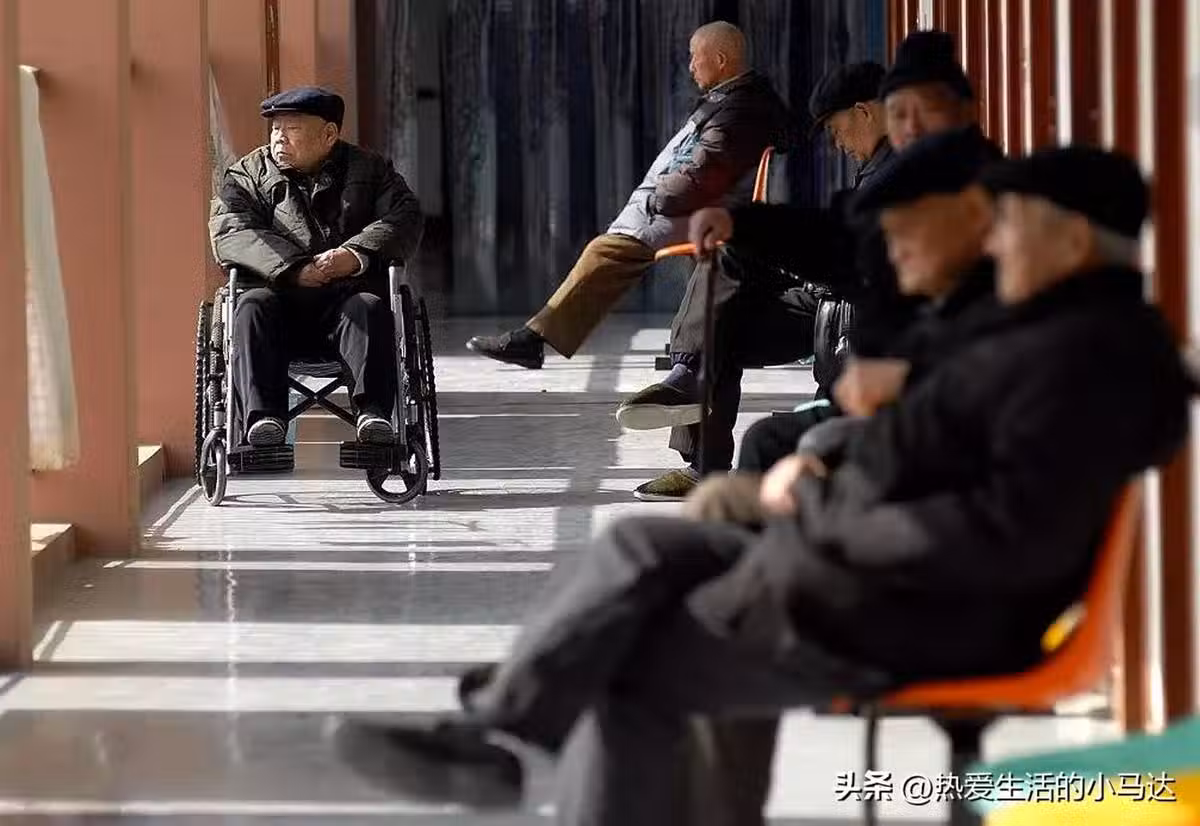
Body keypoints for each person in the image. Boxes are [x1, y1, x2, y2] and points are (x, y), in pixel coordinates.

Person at [333, 144, 1192, 826]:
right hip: (865, 573)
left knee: (626, 668)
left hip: (895, 610)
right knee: (639, 544)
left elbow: (1000, 537)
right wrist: (830, 470)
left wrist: (816, 502)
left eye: (1013, 225)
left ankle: (513, 720)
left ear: (1072, 241)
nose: (995, 242)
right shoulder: (1058, 334)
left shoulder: (1080, 362)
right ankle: (504, 723)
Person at [703, 28, 991, 484]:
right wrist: (740, 223)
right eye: (901, 114)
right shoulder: (905, 177)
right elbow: (838, 235)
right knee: (763, 434)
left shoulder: (978, 191)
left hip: (927, 401)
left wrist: (900, 377)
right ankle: (689, 382)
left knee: (776, 450)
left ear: (964, 111)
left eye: (927, 111)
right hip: (880, 379)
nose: (912, 127)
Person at [613, 61, 893, 504]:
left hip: (847, 305)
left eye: (837, 130)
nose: (838, 144)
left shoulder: (900, 169)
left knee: (728, 275)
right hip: (826, 298)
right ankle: (701, 447)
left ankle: (688, 377)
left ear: (863, 112)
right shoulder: (877, 163)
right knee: (723, 313)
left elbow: (849, 251)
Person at [465, 21, 789, 370]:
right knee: (612, 244)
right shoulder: (736, 99)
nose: (691, 66)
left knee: (607, 251)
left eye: (695, 57)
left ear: (721, 60)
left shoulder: (741, 109)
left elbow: (701, 179)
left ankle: (533, 340)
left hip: (708, 213)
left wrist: (654, 199)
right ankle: (693, 337)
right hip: (700, 207)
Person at [210, 87, 424, 447]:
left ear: (329, 134)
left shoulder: (370, 170)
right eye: (275, 129)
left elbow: (405, 216)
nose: (279, 138)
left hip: (346, 300)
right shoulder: (247, 175)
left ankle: (372, 414)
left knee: (371, 307)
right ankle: (264, 421)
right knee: (251, 307)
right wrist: (295, 268)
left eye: (291, 129)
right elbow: (231, 229)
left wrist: (354, 255)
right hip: (277, 298)